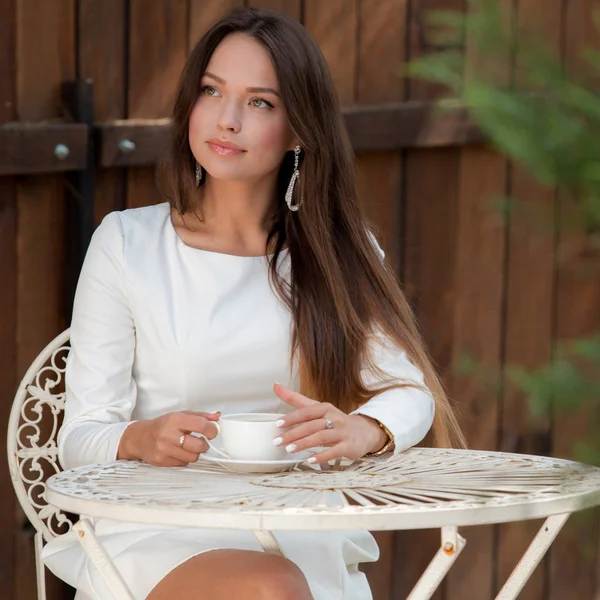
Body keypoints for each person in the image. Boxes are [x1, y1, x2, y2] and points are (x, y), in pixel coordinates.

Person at [41, 7, 465, 600]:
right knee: (272, 589)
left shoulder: (340, 252)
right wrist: (141, 439)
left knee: (282, 583)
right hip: (159, 526)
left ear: (299, 130)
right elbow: (80, 436)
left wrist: (364, 429)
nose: (228, 119)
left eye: (260, 102)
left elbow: (408, 391)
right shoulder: (126, 244)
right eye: (212, 91)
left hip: (300, 522)